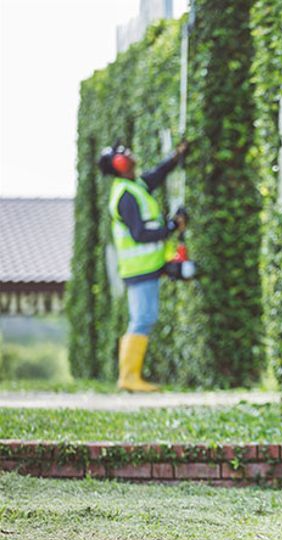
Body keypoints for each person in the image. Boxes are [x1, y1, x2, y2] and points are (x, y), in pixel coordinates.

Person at [98, 140, 189, 392]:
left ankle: (129, 375)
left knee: (144, 318)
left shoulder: (134, 185)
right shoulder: (125, 195)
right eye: (124, 155)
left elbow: (156, 176)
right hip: (139, 268)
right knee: (142, 319)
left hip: (147, 265)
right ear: (119, 164)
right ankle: (128, 376)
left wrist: (175, 158)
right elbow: (139, 234)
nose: (130, 154)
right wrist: (171, 227)